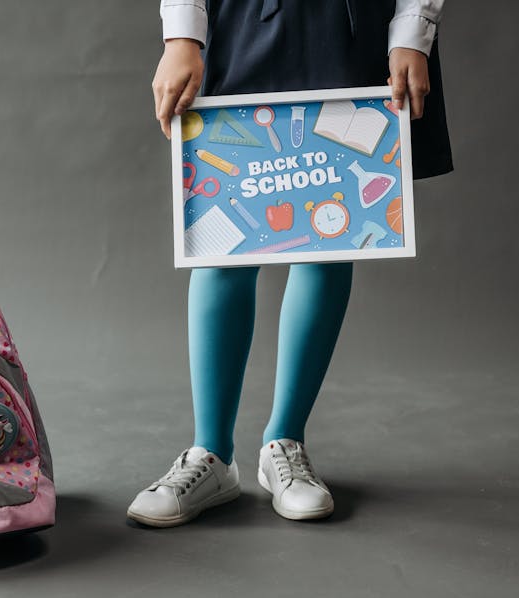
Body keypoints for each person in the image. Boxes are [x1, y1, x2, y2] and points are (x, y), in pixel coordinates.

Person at [127, 0, 452, 527]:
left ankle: (285, 443)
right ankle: (211, 455)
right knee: (222, 237)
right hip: (240, 22)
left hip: (351, 26)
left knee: (331, 234)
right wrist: (181, 37)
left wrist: (413, 31)